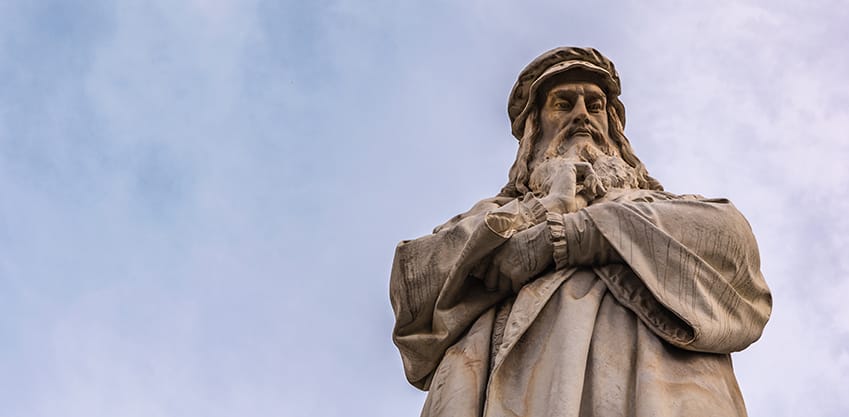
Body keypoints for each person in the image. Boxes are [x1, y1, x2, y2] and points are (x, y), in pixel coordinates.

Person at [389, 47, 772, 417]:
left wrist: (572, 236)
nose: (581, 116)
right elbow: (416, 292)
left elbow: (734, 248)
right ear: (535, 127)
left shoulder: (662, 205)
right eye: (563, 103)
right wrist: (545, 208)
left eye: (594, 105)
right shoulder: (496, 216)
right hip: (524, 386)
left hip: (656, 384)